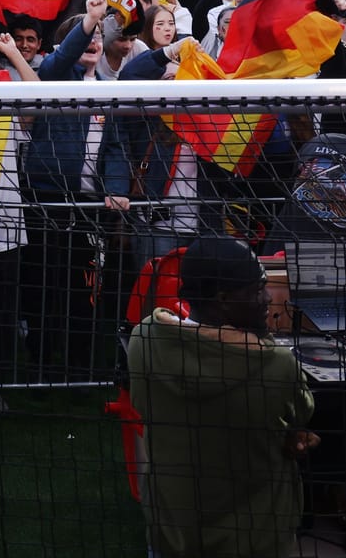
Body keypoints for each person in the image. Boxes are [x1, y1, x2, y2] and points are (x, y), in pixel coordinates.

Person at [126, 236, 316, 558]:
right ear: (223, 298)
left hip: (172, 534)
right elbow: (302, 412)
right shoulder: (276, 363)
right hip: (254, 540)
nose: (267, 297)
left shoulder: (144, 339)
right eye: (256, 290)